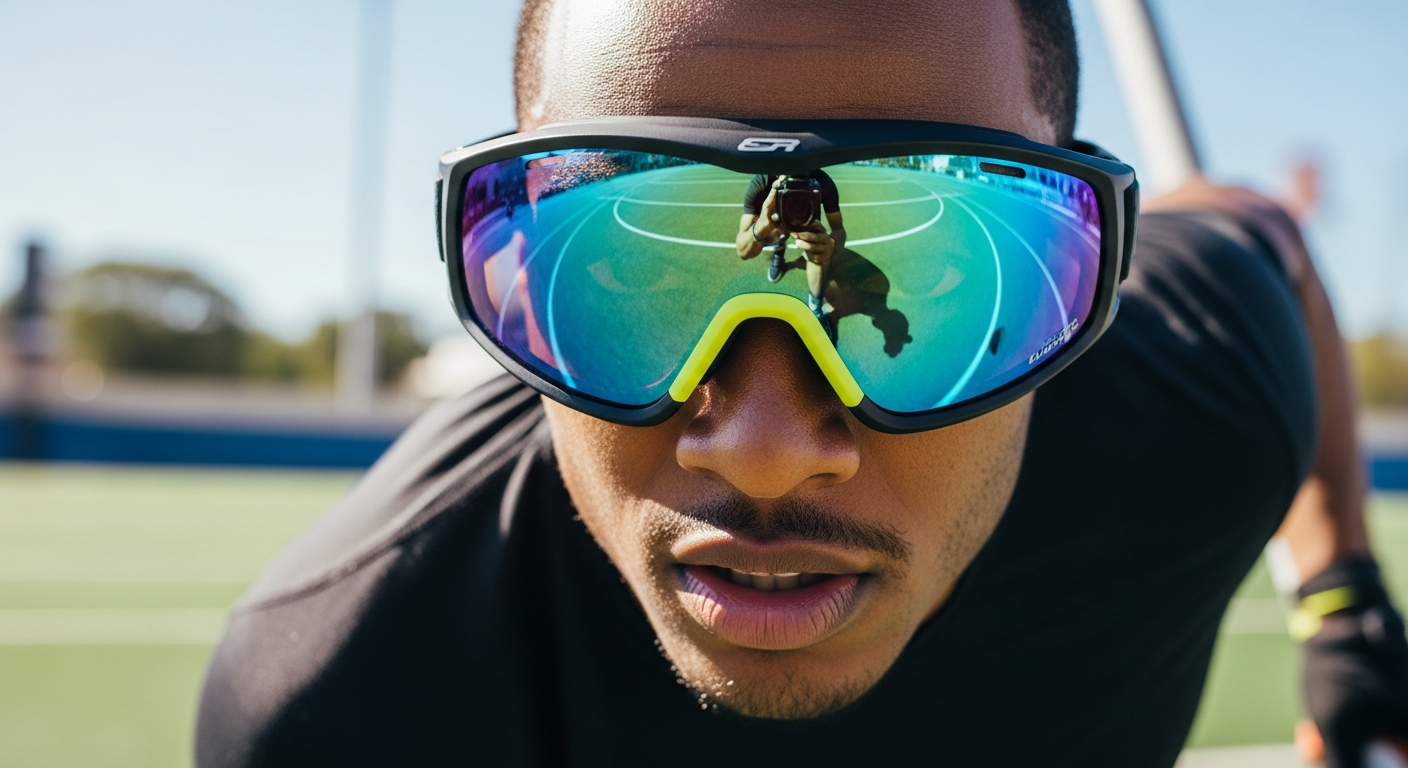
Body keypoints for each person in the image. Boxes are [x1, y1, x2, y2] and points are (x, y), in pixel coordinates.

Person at [195, 2, 1408, 767]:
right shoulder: (341, 704)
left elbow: (1269, 247)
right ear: (513, 282)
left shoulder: (1194, 409)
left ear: (1079, 278)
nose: (767, 447)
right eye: (632, 267)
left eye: (927, 273)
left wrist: (1343, 604)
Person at [735, 171, 845, 337]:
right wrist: (759, 230)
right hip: (776, 226)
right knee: (775, 233)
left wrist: (829, 248)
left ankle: (815, 307)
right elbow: (742, 250)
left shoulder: (822, 182)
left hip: (808, 228)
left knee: (816, 252)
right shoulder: (762, 182)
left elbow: (838, 230)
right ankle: (778, 253)